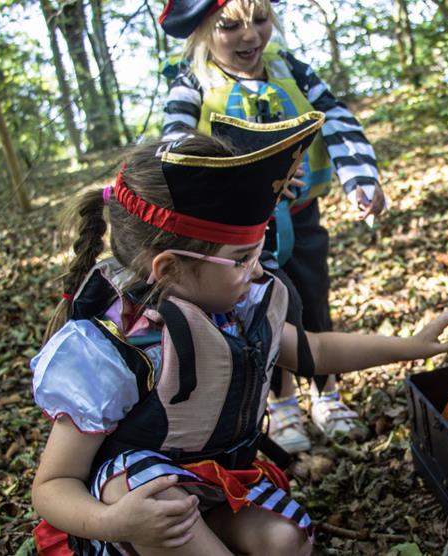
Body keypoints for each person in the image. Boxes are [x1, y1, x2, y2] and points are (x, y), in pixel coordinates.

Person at [29, 115, 448, 556]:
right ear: (169, 268)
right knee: (159, 499)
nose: (257, 271)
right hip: (136, 515)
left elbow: (316, 350)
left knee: (286, 541)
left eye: (258, 250)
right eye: (241, 258)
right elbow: (52, 485)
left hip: (215, 486)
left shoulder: (236, 309)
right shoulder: (113, 348)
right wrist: (110, 522)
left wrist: (415, 345)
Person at [159, 0, 383, 452]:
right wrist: (248, 181)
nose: (249, 36)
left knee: (313, 300)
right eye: (230, 26)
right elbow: (175, 151)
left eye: (260, 21)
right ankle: (282, 404)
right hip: (241, 237)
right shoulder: (192, 82)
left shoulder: (290, 69)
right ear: (203, 30)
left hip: (302, 220)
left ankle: (328, 396)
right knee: (264, 309)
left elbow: (336, 116)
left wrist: (360, 178)